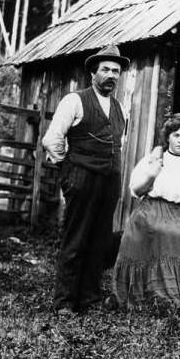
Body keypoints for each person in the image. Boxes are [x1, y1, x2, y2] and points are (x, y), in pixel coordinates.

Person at [42, 45, 129, 315]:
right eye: (105, 69)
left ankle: (89, 298)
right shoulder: (75, 101)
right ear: (93, 72)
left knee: (100, 239)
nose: (111, 75)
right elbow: (52, 139)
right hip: (81, 178)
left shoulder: (120, 109)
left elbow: (118, 144)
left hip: (109, 181)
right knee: (76, 237)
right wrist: (68, 168)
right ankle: (65, 301)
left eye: (115, 71)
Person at [113, 113, 180, 309]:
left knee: (177, 235)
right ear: (168, 138)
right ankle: (138, 293)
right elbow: (136, 191)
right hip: (150, 208)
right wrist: (152, 173)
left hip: (179, 214)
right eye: (176, 135)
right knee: (138, 233)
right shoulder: (154, 160)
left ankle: (169, 297)